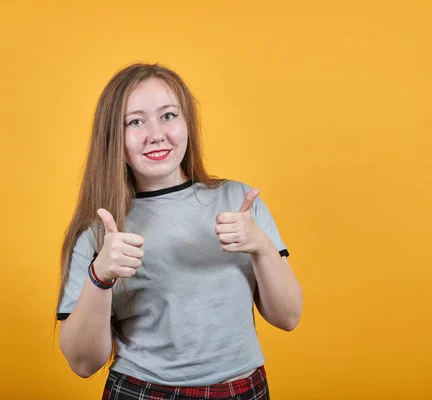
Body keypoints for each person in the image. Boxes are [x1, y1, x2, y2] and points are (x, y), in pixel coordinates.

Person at [55, 63, 302, 399]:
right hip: (143, 392)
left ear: (187, 123)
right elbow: (83, 363)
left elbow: (288, 317)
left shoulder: (240, 202)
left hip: (244, 390)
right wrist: (100, 275)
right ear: (114, 136)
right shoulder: (98, 234)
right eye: (135, 121)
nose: (156, 134)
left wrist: (261, 245)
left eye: (168, 115)